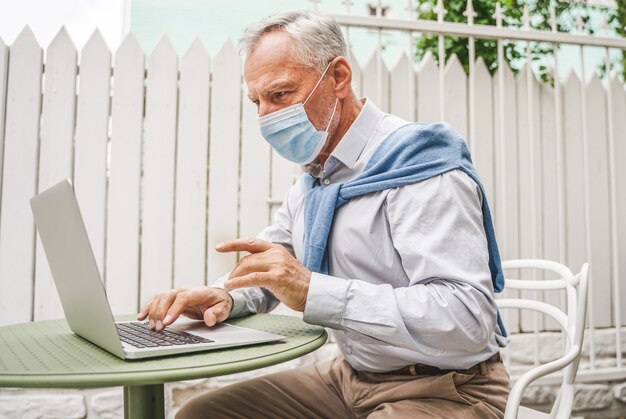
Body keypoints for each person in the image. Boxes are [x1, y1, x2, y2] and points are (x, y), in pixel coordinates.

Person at [139, 9, 510, 418]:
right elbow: (277, 262)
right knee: (201, 415)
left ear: (338, 78)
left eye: (280, 94)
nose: (265, 117)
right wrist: (225, 295)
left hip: (447, 387)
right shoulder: (317, 178)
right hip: (350, 376)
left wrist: (313, 290)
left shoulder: (417, 164)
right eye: (256, 102)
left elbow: (466, 320)